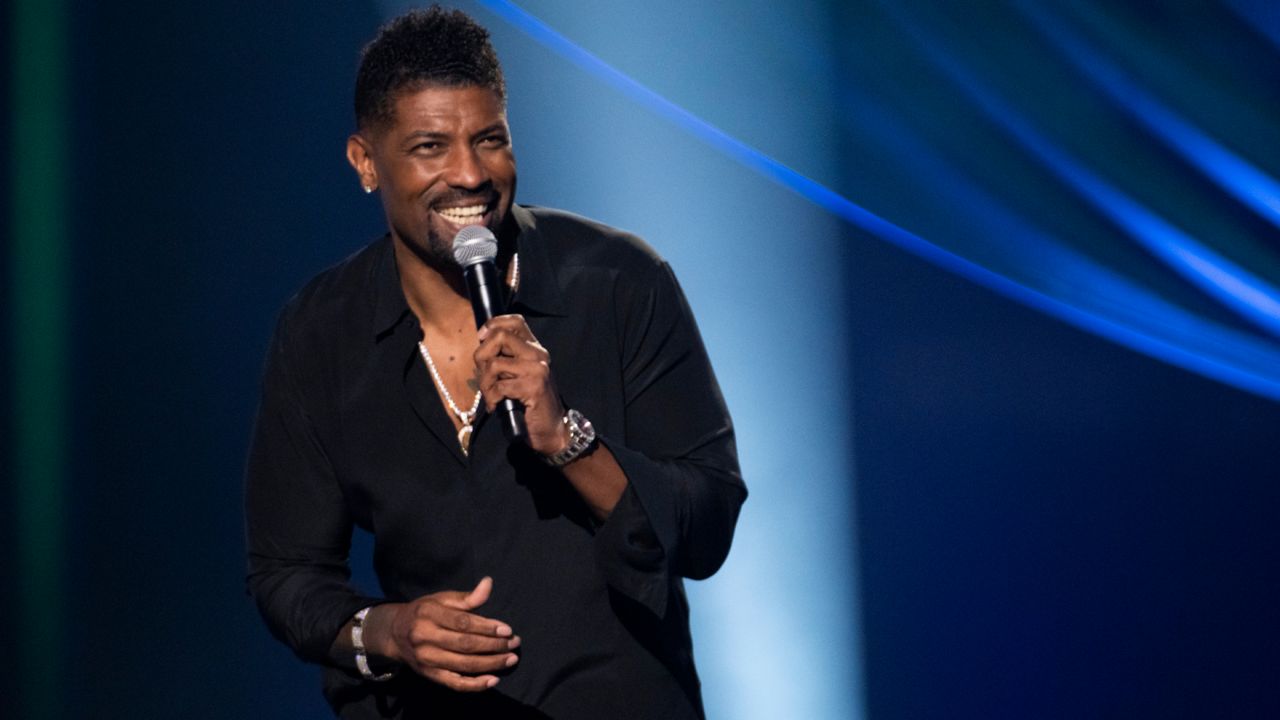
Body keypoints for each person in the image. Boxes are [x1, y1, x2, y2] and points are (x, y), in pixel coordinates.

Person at [245, 7, 746, 719]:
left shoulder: (618, 283)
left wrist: (569, 441)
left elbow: (708, 526)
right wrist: (390, 632)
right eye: (430, 147)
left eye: (490, 140)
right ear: (365, 162)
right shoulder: (321, 332)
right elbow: (286, 573)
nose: (470, 174)